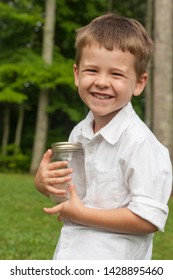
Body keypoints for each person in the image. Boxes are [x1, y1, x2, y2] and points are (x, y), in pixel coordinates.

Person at [34, 13, 172, 260]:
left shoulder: (141, 144)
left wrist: (81, 215)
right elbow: (72, 196)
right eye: (92, 70)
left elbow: (148, 218)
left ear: (139, 83)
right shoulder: (79, 133)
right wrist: (45, 184)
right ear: (77, 74)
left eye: (116, 74)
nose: (101, 82)